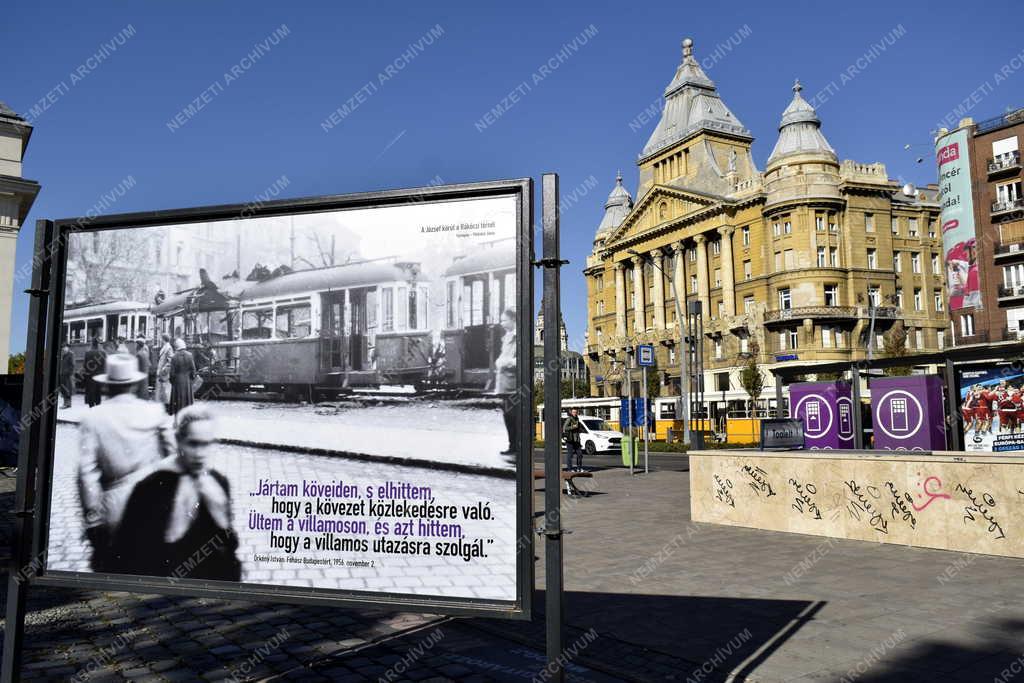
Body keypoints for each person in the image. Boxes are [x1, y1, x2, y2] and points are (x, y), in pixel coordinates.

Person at [112, 404, 241, 581]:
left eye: (207, 444)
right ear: (179, 440)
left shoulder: (219, 482)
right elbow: (127, 554)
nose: (200, 453)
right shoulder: (151, 487)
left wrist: (222, 520)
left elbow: (229, 546)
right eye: (193, 444)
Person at [77, 353, 175, 571]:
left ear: (107, 387)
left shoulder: (92, 419)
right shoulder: (154, 411)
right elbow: (174, 455)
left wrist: (93, 517)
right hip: (153, 503)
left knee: (115, 569)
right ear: (133, 385)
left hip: (113, 509)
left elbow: (86, 473)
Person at [493, 308, 518, 463]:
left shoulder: (517, 337)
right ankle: (512, 446)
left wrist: (505, 362)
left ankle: (515, 448)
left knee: (512, 417)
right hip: (505, 384)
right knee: (508, 417)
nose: (501, 323)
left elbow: (519, 359)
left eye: (504, 320)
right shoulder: (506, 337)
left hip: (512, 384)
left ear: (512, 320)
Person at [169, 338, 197, 417]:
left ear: (176, 347)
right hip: (187, 381)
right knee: (187, 401)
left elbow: (172, 374)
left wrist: (172, 382)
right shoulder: (190, 355)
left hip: (177, 382)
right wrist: (190, 379)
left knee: (177, 403)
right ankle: (187, 418)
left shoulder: (174, 357)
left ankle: (177, 420)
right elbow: (193, 370)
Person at [83, 338, 106, 408]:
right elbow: (104, 365)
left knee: (91, 392)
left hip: (90, 376)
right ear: (98, 344)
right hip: (99, 377)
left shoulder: (88, 353)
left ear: (92, 344)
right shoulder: (103, 353)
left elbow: (85, 366)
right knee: (98, 392)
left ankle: (91, 407)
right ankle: (98, 407)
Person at [156, 333, 173, 414]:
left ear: (164, 339)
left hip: (164, 373)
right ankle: (163, 407)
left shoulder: (169, 348)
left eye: (161, 338)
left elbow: (170, 361)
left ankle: (168, 408)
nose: (160, 340)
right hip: (161, 372)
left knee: (166, 391)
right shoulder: (165, 347)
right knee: (162, 391)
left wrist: (163, 370)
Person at [134, 335, 151, 400]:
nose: (135, 346)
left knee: (140, 394)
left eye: (136, 344)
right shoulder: (144, 353)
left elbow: (136, 368)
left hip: (140, 377)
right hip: (145, 376)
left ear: (138, 345)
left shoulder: (139, 354)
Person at [59, 344, 75, 408]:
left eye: (64, 347)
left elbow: (72, 365)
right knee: (64, 390)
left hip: (67, 375)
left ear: (67, 348)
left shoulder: (71, 354)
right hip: (63, 374)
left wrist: (69, 373)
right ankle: (67, 404)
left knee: (67, 390)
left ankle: (67, 404)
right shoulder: (64, 355)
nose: (63, 349)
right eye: (63, 348)